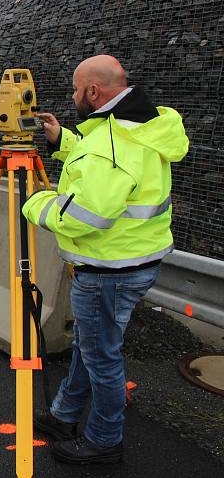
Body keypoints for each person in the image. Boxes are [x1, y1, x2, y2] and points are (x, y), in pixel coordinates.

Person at [21, 55, 188, 464]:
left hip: (108, 270)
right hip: (134, 261)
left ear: (93, 92)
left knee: (101, 357)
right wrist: (62, 139)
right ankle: (64, 415)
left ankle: (103, 441)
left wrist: (35, 203)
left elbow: (85, 214)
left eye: (77, 91)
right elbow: (102, 158)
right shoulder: (144, 125)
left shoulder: (111, 145)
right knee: (91, 346)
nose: (74, 97)